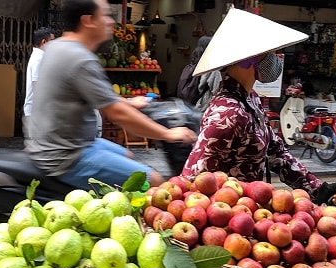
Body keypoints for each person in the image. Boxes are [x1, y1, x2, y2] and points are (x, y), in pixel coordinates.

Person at [180, 9, 336, 205]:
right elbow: (193, 181)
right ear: (247, 60)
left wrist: (318, 189)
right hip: (228, 219)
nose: (274, 59)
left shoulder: (251, 100)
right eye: (268, 54)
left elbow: (276, 152)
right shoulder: (227, 114)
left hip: (253, 213)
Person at [27, 0, 197, 188]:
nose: (111, 22)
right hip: (67, 156)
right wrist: (168, 133)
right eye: (106, 16)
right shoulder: (80, 59)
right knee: (154, 181)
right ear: (88, 20)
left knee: (128, 154)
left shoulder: (58, 47)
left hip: (68, 144)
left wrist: (129, 102)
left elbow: (90, 93)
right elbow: (117, 114)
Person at [167, 35, 215, 177]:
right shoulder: (211, 68)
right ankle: (196, 174)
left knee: (194, 146)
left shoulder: (191, 66)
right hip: (204, 111)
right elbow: (214, 89)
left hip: (190, 110)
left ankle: (187, 172)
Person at [23, 27, 55, 117]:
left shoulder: (40, 56)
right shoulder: (39, 59)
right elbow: (37, 85)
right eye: (52, 41)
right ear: (44, 42)